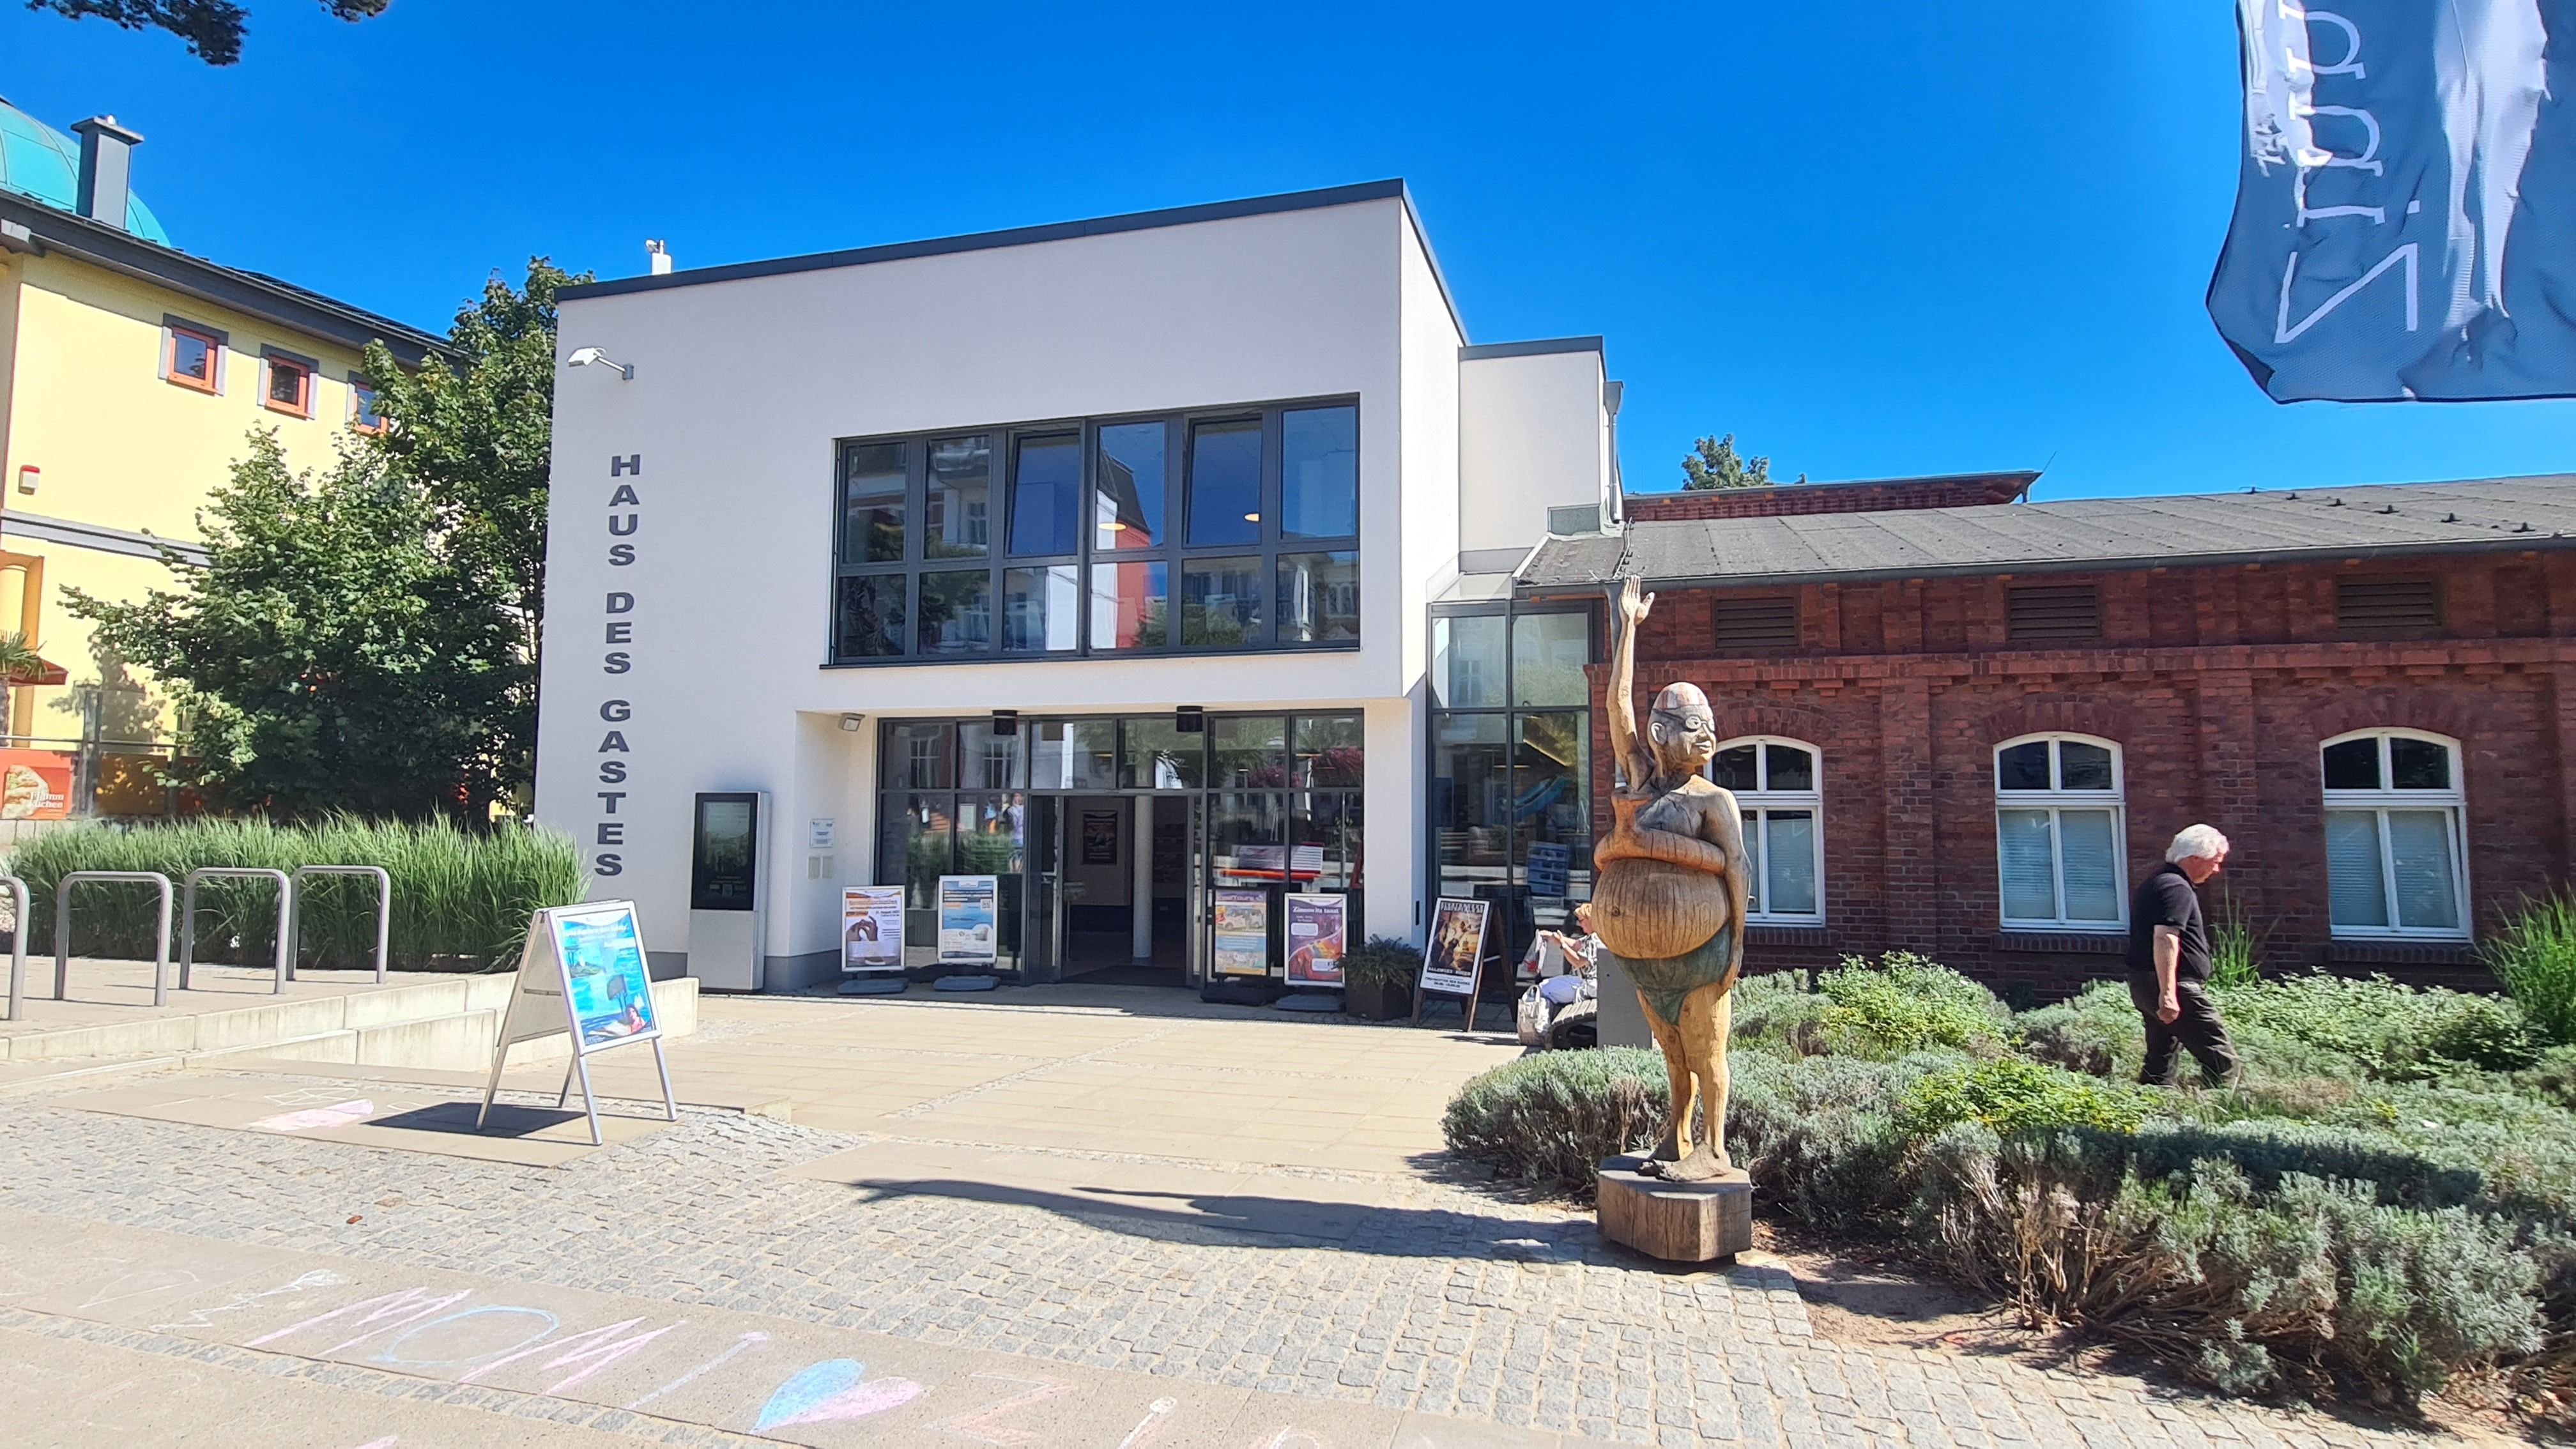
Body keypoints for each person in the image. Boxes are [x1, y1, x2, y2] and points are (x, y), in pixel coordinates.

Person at [2127, 824, 2240, 1087]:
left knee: (2161, 1062)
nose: (2217, 869)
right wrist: (2168, 994)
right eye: (2215, 861)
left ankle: (2152, 1107)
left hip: (2147, 982)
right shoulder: (2175, 887)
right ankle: (2221, 1109)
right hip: (2174, 986)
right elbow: (2165, 937)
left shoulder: (2159, 882)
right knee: (2222, 1061)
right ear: (2195, 858)